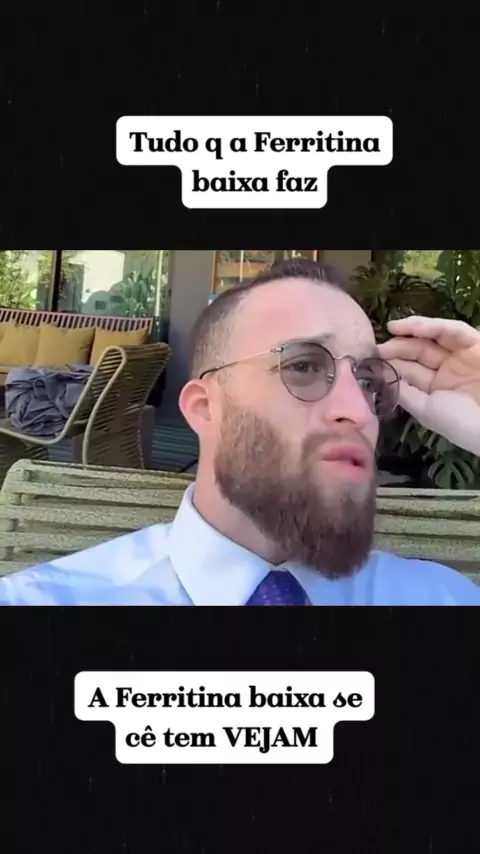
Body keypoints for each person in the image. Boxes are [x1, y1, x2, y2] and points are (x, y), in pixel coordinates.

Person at [1, 258, 480, 606]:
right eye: (304, 366)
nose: (358, 411)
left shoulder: (443, 599)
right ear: (205, 408)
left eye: (369, 381)